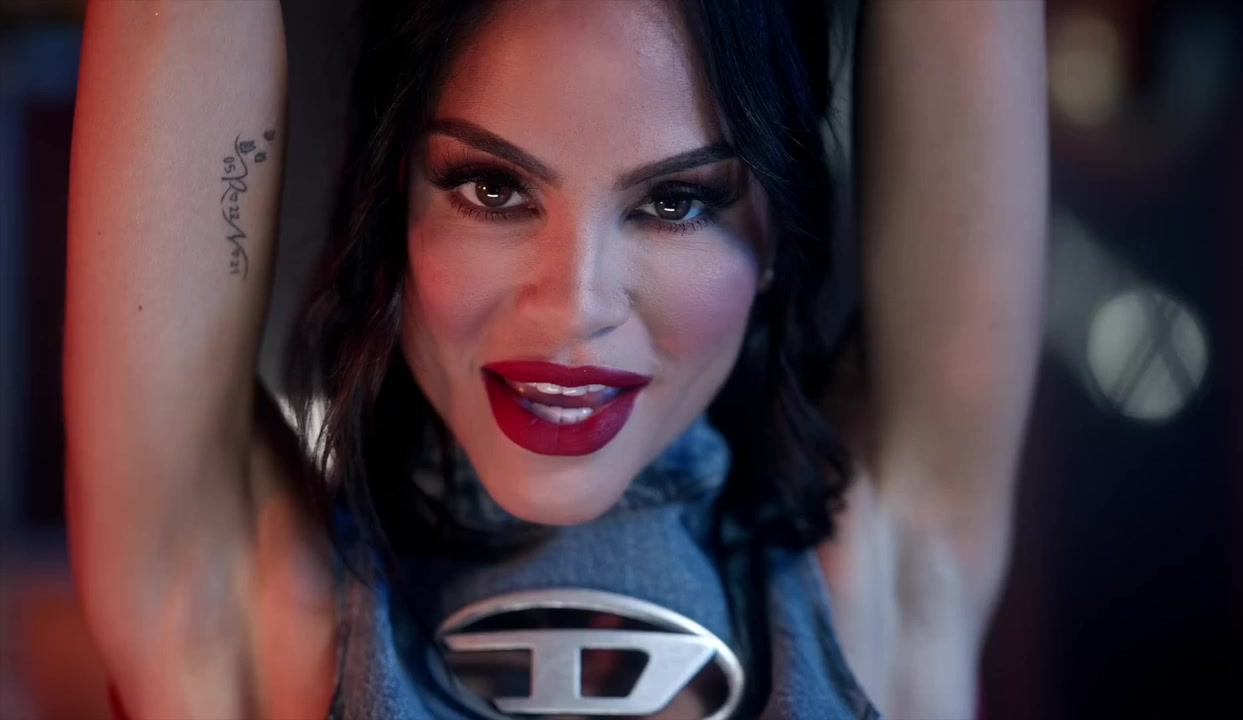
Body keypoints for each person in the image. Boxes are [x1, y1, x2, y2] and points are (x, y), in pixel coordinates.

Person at [64, 0, 1046, 718]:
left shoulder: (875, 580)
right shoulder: (249, 608)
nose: (575, 306)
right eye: (492, 190)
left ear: (776, 230)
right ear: (393, 207)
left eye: (673, 202)